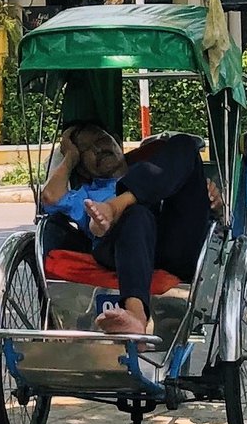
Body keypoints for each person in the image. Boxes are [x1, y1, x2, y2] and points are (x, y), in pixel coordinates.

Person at [40, 122, 216, 337]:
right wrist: (70, 155)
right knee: (137, 214)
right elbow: (49, 196)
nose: (98, 149)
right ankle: (136, 314)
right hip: (121, 249)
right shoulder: (83, 194)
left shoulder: (157, 170)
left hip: (173, 247)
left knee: (183, 143)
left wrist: (211, 198)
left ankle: (115, 206)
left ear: (117, 141)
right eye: (86, 149)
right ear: (82, 166)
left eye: (101, 140)